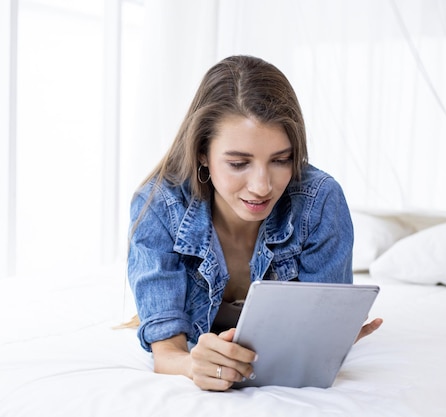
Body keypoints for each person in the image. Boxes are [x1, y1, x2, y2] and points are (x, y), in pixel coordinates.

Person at [127, 55, 383, 391]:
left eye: (281, 160)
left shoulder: (319, 200)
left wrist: (335, 338)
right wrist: (192, 364)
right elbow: (167, 353)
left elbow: (316, 343)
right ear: (203, 152)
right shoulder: (160, 204)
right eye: (238, 163)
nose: (262, 186)